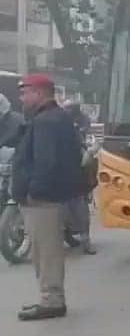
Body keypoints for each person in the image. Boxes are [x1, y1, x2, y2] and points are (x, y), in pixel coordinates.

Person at [11, 74, 94, 321]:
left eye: (25, 92)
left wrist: (34, 191)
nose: (22, 98)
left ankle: (52, 300)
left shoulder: (47, 121)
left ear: (39, 93)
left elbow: (46, 162)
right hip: (49, 196)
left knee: (46, 251)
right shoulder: (55, 118)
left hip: (43, 199)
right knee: (42, 250)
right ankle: (48, 297)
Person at [63, 103, 96, 255]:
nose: (66, 111)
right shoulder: (54, 125)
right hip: (56, 172)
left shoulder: (78, 125)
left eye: (69, 108)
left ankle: (85, 239)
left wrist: (87, 150)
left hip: (74, 171)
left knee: (78, 204)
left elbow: (85, 146)